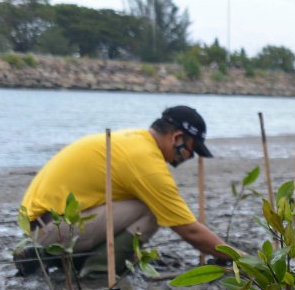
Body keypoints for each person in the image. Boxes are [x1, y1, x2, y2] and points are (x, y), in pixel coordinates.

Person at [18, 106, 228, 270]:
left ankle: (63, 259)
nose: (190, 157)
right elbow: (188, 229)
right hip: (52, 229)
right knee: (152, 209)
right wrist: (239, 259)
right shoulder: (144, 161)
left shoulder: (134, 140)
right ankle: (97, 273)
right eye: (192, 150)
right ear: (177, 138)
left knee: (143, 204)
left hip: (40, 223)